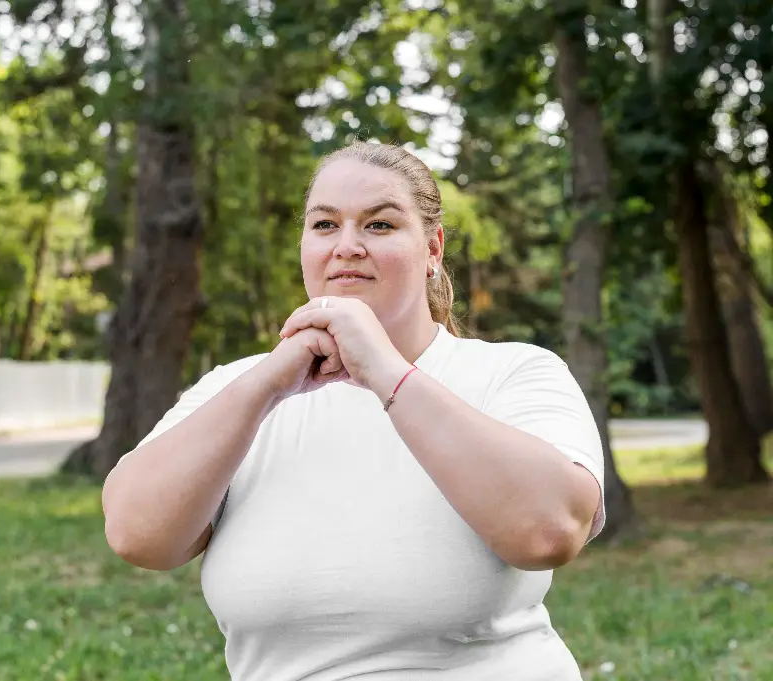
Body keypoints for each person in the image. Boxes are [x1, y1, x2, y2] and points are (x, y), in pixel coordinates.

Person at [102, 140, 605, 681]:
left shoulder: (511, 373)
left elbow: (549, 530)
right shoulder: (237, 390)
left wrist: (385, 372)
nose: (346, 246)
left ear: (433, 249)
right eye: (324, 225)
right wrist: (268, 383)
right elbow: (137, 535)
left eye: (380, 225)